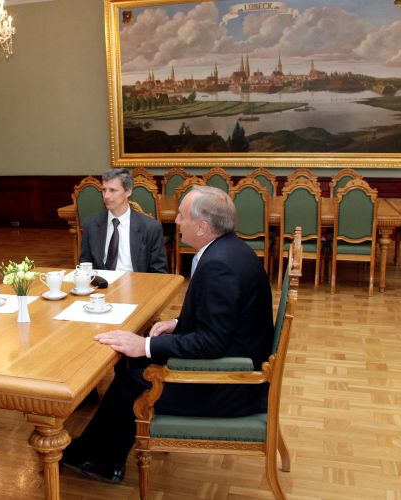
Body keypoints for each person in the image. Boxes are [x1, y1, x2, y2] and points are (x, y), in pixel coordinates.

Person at [61, 186, 274, 483]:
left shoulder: (219, 266)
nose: (176, 221)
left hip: (229, 384)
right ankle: (105, 453)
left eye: (182, 216)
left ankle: (100, 461)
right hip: (235, 359)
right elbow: (223, 318)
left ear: (202, 227)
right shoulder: (230, 250)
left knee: (133, 380)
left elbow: (211, 343)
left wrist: (145, 345)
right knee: (135, 363)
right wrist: (176, 322)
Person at [79, 168, 168, 273]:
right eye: (104, 190)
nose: (106, 196)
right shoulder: (91, 225)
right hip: (102, 281)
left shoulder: (150, 228)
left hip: (136, 281)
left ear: (128, 191)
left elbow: (159, 272)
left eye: (112, 190)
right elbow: (85, 265)